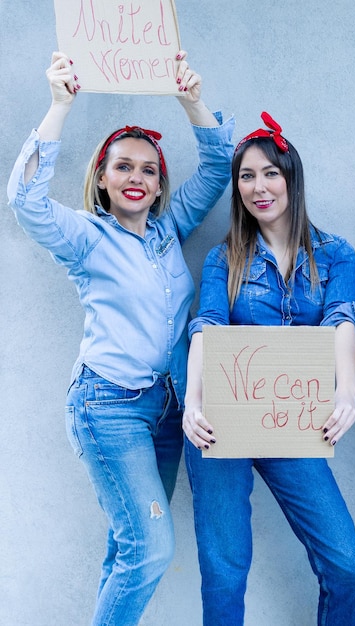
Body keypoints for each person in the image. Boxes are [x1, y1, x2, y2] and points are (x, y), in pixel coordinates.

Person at [7, 51, 234, 625]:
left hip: (167, 412)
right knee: (152, 547)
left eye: (148, 170)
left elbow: (216, 168)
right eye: (123, 167)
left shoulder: (169, 229)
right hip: (107, 408)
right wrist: (60, 106)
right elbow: (25, 203)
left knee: (128, 548)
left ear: (160, 186)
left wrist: (191, 101)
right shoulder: (86, 237)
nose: (137, 178)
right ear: (103, 180)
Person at [182, 111, 355, 625]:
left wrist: (345, 394)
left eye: (269, 173)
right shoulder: (224, 259)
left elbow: (341, 320)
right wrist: (194, 404)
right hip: (220, 425)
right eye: (246, 176)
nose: (258, 187)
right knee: (225, 572)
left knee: (348, 565)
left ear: (291, 178)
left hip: (293, 427)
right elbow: (208, 327)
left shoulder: (335, 255)